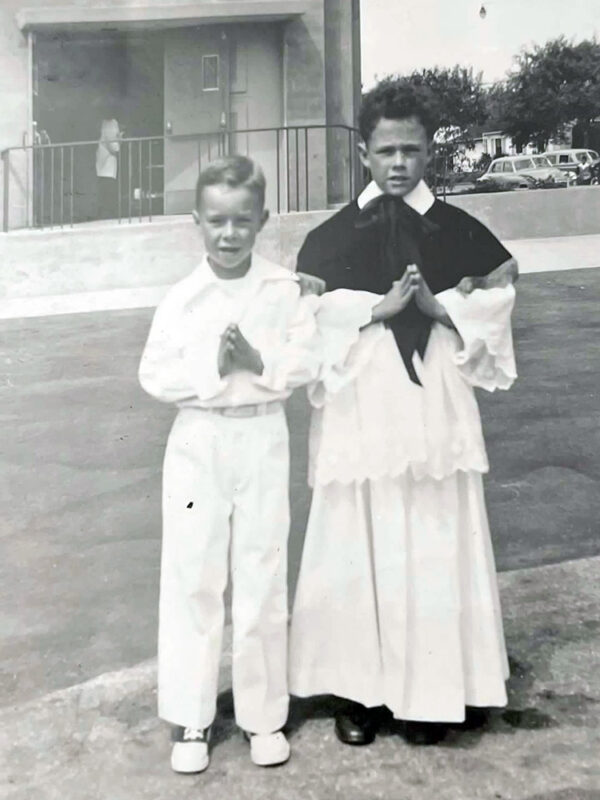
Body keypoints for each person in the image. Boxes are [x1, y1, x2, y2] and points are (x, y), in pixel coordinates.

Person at [288, 78, 519, 746]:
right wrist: (370, 308)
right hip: (363, 404)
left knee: (432, 529)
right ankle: (364, 691)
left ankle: (436, 690)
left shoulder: (459, 229)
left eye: (411, 151)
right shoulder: (330, 238)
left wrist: (443, 306)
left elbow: (502, 295)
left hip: (433, 405)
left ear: (429, 152)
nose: (398, 164)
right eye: (385, 150)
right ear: (363, 152)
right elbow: (304, 325)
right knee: (362, 537)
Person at [138, 155, 319, 773]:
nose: (230, 233)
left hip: (262, 437)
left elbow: (304, 363)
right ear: (197, 221)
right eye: (217, 221)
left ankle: (263, 715)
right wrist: (212, 369)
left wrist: (259, 360)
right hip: (199, 443)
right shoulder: (185, 298)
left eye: (243, 220)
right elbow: (154, 374)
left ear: (263, 220)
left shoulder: (282, 289)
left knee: (262, 574)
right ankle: (191, 718)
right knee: (194, 575)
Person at [95, 116, 121, 219]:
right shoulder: (110, 124)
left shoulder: (105, 123)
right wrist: (119, 140)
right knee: (108, 191)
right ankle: (107, 216)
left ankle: (107, 214)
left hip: (104, 164)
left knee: (106, 191)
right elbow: (113, 145)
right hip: (107, 165)